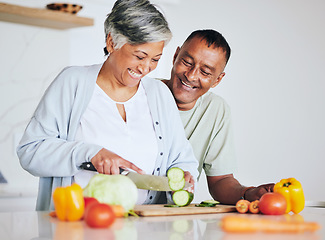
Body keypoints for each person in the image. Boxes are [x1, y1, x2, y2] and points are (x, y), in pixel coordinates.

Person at [17, 0, 198, 211]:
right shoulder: (72, 82)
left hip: (146, 226)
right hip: (79, 223)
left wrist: (183, 177)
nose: (146, 68)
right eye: (140, 56)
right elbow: (30, 152)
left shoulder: (159, 94)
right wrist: (88, 152)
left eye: (155, 59)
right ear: (112, 43)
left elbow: (182, 160)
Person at [163, 29, 274, 205]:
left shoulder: (216, 109)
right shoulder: (141, 94)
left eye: (205, 72)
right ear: (175, 55)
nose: (191, 76)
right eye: (186, 62)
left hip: (176, 216)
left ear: (217, 80)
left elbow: (220, 180)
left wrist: (248, 193)